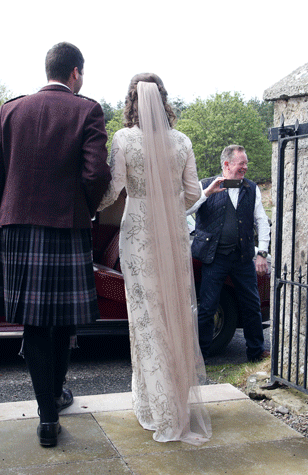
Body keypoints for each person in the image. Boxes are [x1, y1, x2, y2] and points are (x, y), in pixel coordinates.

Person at [0, 42, 111, 448]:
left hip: (18, 228)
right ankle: (54, 397)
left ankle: (48, 414)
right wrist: (83, 210)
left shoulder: (11, 110)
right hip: (67, 226)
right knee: (63, 319)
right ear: (75, 72)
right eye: (82, 73)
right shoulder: (87, 109)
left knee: (35, 323)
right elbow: (96, 175)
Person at [98, 73, 211, 445]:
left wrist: (86, 207)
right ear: (163, 100)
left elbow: (114, 188)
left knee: (145, 321)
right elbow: (194, 192)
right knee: (173, 314)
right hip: (173, 235)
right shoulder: (182, 142)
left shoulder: (124, 139)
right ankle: (171, 403)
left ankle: (156, 408)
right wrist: (169, 210)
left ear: (131, 101)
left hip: (139, 234)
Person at [187, 145, 271, 362]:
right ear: (226, 164)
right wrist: (207, 193)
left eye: (246, 163)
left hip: (242, 256)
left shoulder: (251, 188)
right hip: (214, 257)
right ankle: (201, 356)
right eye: (241, 163)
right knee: (207, 307)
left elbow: (262, 221)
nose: (245, 167)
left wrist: (261, 252)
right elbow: (185, 209)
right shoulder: (204, 185)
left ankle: (256, 352)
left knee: (252, 305)